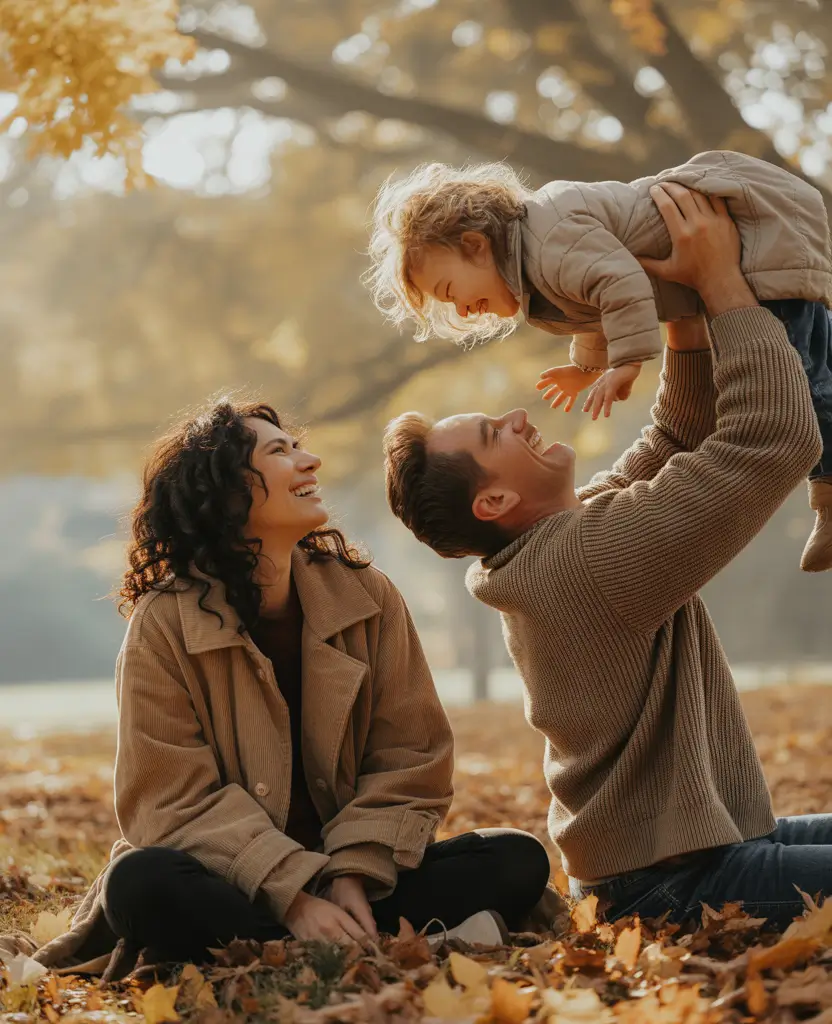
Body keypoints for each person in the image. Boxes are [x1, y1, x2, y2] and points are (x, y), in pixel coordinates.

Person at [381, 184, 831, 929]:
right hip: (680, 883)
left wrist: (681, 312)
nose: (519, 415)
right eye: (497, 434)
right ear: (491, 504)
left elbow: (679, 441)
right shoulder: (587, 562)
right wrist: (723, 285)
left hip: (703, 851)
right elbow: (774, 439)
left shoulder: (557, 542)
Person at [27, 398, 550, 978]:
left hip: (364, 882)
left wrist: (351, 871)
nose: (311, 461)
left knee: (515, 857)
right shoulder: (164, 623)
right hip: (234, 882)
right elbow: (168, 802)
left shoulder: (368, 596)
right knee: (138, 885)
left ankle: (305, 947)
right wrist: (295, 896)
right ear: (227, 491)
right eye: (281, 452)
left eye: (298, 447)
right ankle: (356, 945)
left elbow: (413, 755)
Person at [366, 152, 832, 572]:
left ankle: (829, 492)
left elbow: (614, 289)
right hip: (744, 255)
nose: (462, 311)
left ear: (476, 245)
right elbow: (593, 308)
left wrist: (624, 362)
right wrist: (713, 280)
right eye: (448, 305)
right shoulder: (581, 561)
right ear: (494, 501)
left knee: (808, 381)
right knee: (808, 383)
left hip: (758, 235)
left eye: (451, 292)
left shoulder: (547, 246)